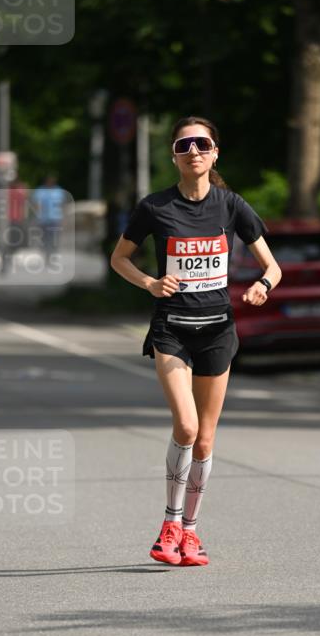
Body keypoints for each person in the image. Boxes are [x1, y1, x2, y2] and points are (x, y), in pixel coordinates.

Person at [110, 115, 282, 566]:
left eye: (202, 144)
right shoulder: (155, 207)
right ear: (174, 155)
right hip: (172, 330)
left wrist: (264, 285)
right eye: (184, 146)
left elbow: (273, 266)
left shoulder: (230, 205)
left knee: (205, 440)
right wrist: (149, 283)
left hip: (217, 331)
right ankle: (169, 523)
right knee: (185, 427)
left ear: (214, 153)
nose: (194, 152)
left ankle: (190, 532)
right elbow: (119, 258)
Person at [32, 173, 66, 270]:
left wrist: (63, 219)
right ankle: (46, 257)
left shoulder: (59, 191)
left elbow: (62, 205)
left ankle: (51, 257)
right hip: (43, 220)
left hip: (55, 219)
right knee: (44, 240)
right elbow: (36, 205)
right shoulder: (40, 191)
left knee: (54, 240)